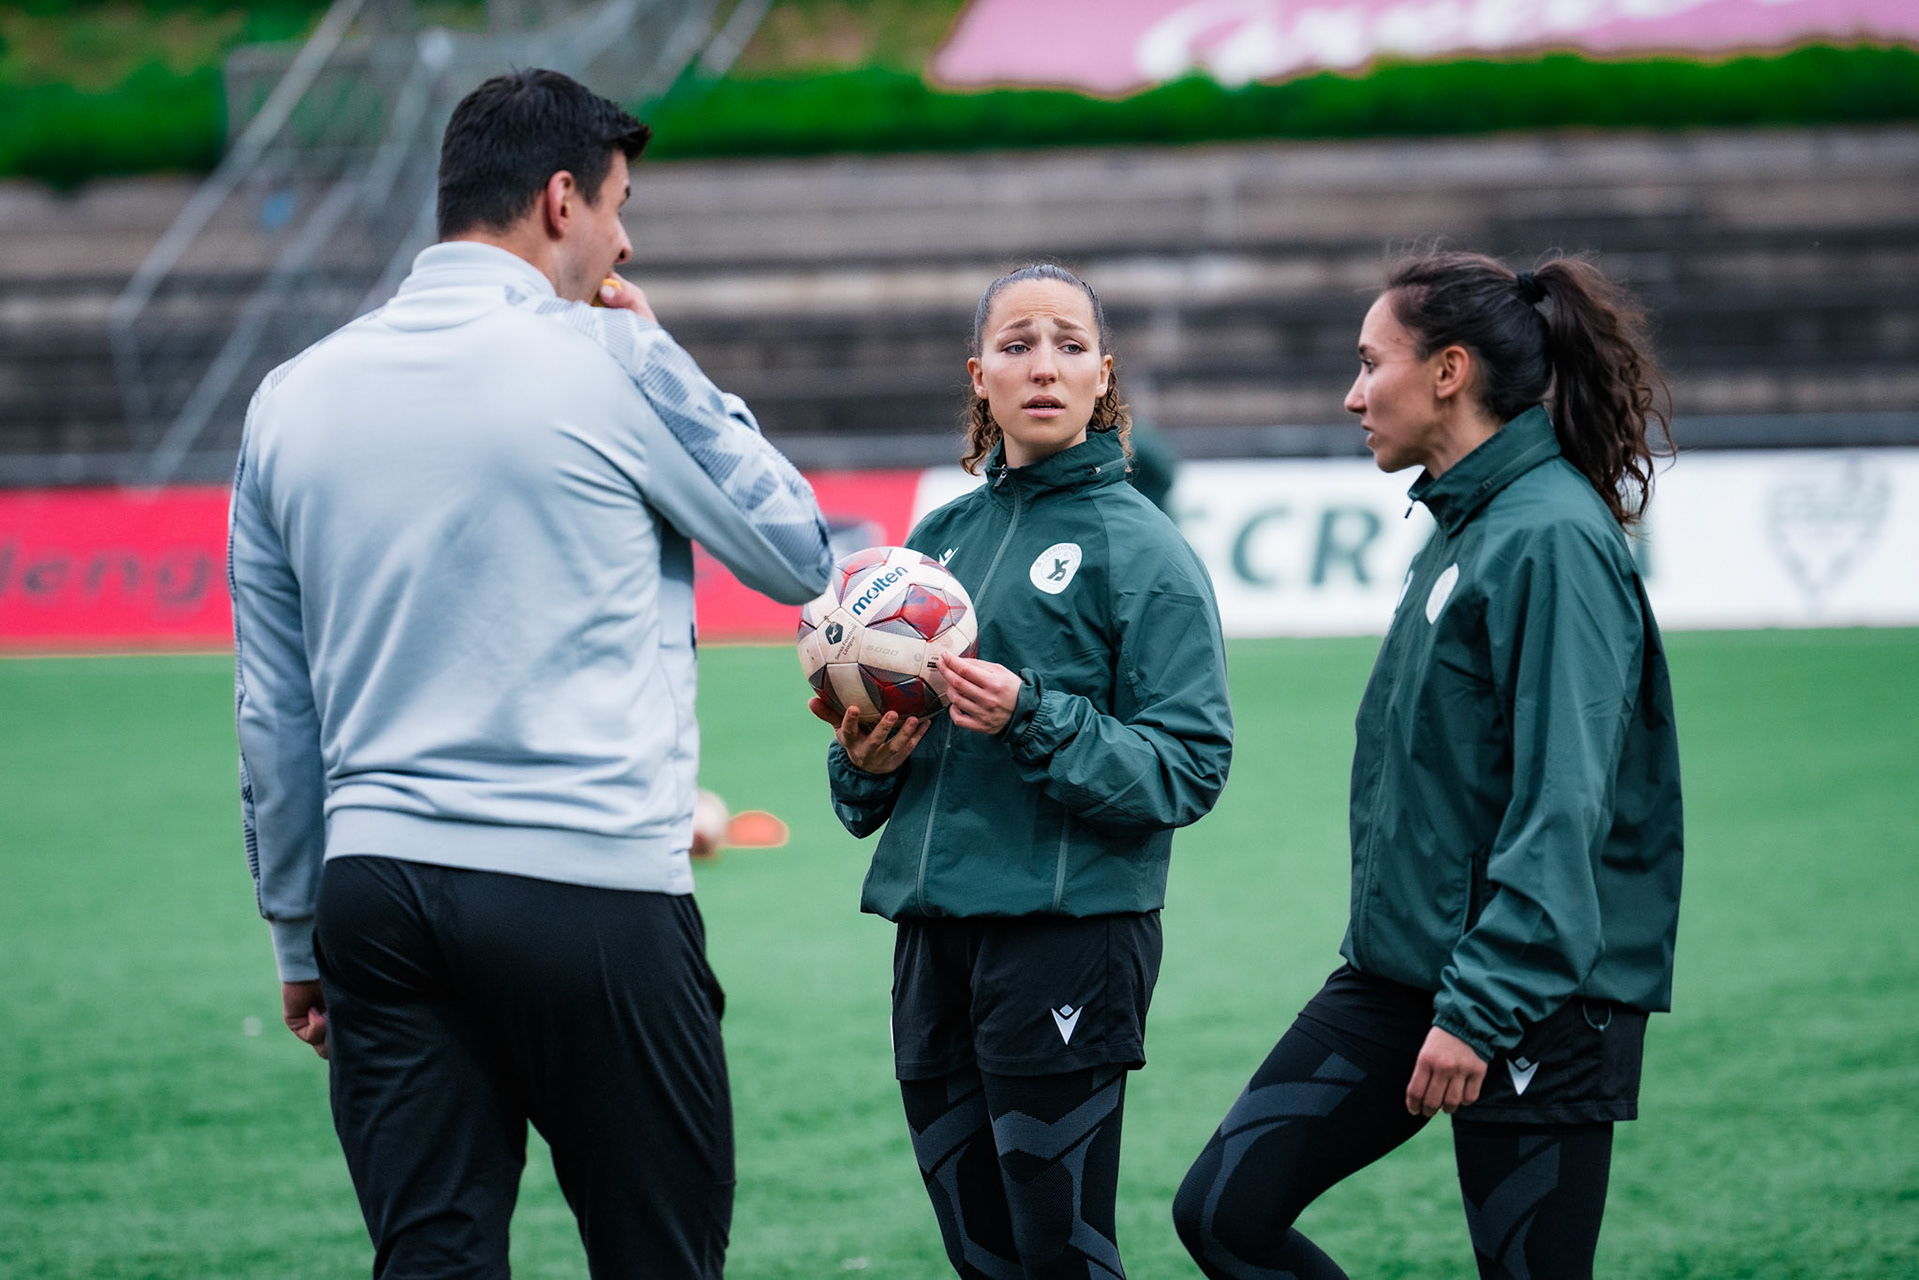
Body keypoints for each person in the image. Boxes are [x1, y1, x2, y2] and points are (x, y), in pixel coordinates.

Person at [228, 69, 832, 1278]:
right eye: (619, 204)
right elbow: (797, 552)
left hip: (377, 897)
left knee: (433, 1259)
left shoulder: (288, 399)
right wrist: (658, 350)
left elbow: (274, 712)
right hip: (589, 885)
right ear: (562, 200)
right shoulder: (612, 362)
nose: (626, 235)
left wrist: (300, 931)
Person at [1171, 250, 1683, 1279]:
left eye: (1371, 363)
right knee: (1225, 1210)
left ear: (1447, 371)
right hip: (1403, 975)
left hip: (1530, 992)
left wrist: (1479, 1005)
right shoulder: (1463, 526)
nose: (1353, 394)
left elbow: (1564, 803)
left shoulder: (1553, 538)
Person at [819, 263, 1235, 1279]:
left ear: (1104, 375)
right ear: (979, 376)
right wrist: (862, 763)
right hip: (933, 944)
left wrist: (1033, 716)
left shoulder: (1147, 550)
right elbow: (871, 766)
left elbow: (1188, 765)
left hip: (1066, 944)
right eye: (1016, 344)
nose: (1042, 364)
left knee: (1063, 1259)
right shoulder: (933, 547)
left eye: (1068, 344)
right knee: (985, 1258)